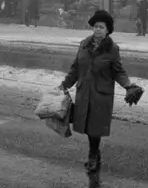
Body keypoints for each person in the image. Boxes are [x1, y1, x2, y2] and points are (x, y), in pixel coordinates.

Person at [57, 10, 142, 175]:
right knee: (88, 127)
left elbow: (118, 71)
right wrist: (64, 85)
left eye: (101, 27)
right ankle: (95, 152)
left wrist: (128, 86)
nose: (97, 30)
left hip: (100, 95)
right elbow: (75, 68)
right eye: (96, 26)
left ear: (108, 30)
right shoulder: (84, 44)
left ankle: (93, 156)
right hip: (84, 92)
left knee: (94, 128)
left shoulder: (112, 49)